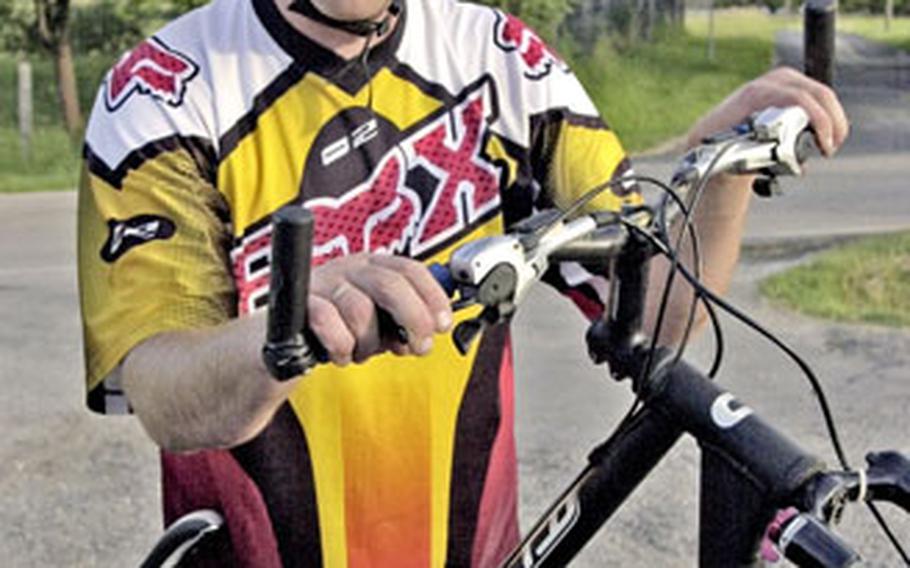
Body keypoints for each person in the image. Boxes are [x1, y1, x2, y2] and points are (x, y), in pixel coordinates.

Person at [77, 0, 849, 565]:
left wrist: (717, 168)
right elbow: (163, 392)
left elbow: (660, 314)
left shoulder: (503, 59)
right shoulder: (159, 91)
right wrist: (282, 334)